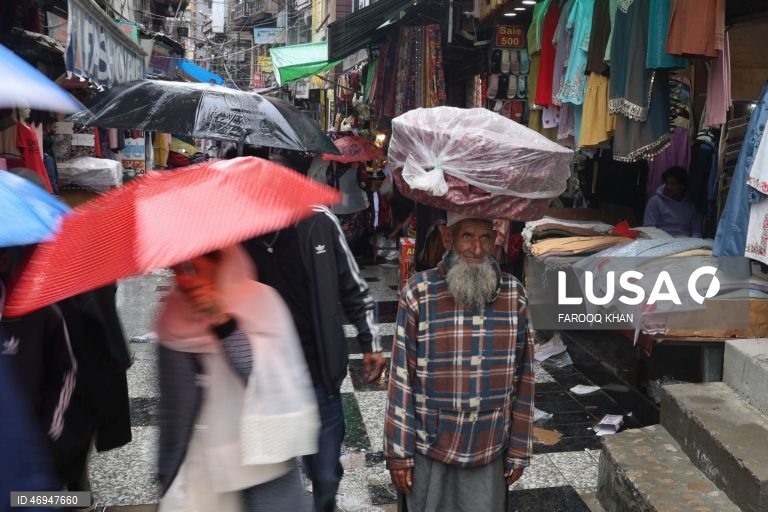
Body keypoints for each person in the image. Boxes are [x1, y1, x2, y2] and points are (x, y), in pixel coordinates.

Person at [242, 152, 386, 512]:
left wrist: (370, 342)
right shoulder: (241, 235)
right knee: (274, 479)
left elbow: (354, 287)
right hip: (268, 379)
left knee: (324, 473)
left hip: (320, 373)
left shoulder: (318, 222)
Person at [384, 212, 535, 512]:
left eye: (485, 237)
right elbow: (400, 377)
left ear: (496, 239)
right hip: (430, 448)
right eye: (467, 236)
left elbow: (525, 377)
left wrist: (519, 448)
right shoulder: (419, 291)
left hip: (489, 445)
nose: (477, 249)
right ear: (447, 237)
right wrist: (398, 453)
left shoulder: (514, 294)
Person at [155, 246, 318, 511]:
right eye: (177, 270)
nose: (184, 279)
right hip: (207, 461)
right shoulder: (173, 313)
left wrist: (222, 322)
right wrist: (168, 469)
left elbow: (269, 380)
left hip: (265, 455)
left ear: (222, 262)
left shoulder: (261, 300)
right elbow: (174, 405)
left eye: (192, 268)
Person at [643, 166, 702, 238]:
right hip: (660, 240)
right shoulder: (655, 201)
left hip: (684, 240)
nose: (668, 187)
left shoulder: (691, 205)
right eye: (667, 183)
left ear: (682, 186)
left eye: (673, 184)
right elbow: (649, 229)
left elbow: (696, 232)